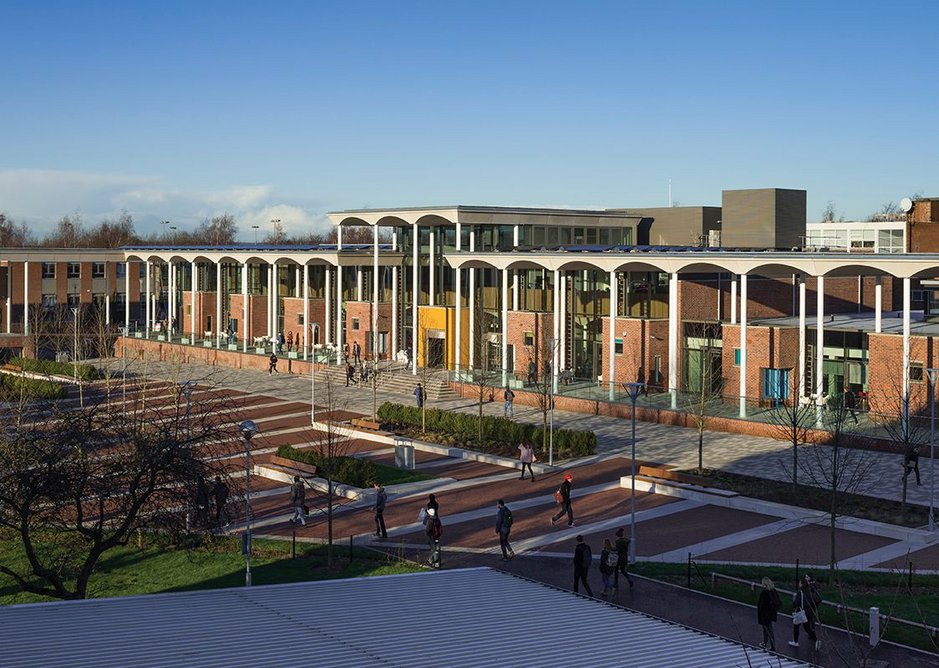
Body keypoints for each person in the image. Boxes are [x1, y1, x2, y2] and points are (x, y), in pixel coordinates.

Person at [789, 575, 820, 651]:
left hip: (800, 612)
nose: (799, 584)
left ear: (802, 584)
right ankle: (816, 640)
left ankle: (795, 642)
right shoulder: (809, 592)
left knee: (796, 627)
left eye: (800, 583)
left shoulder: (800, 592)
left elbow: (796, 603)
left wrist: (793, 604)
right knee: (807, 628)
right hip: (808, 612)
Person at [758, 576, 781, 652]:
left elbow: (761, 605)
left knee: (768, 630)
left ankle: (771, 646)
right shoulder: (773, 591)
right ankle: (765, 643)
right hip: (771, 613)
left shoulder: (765, 593)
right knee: (767, 629)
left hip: (765, 614)